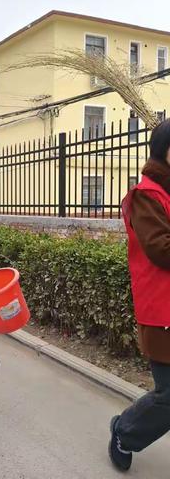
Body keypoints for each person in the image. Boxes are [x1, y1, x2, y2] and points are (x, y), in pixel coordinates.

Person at [109, 119, 170, 472]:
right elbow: (161, 249)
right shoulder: (147, 195)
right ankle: (125, 431)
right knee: (168, 396)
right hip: (163, 311)